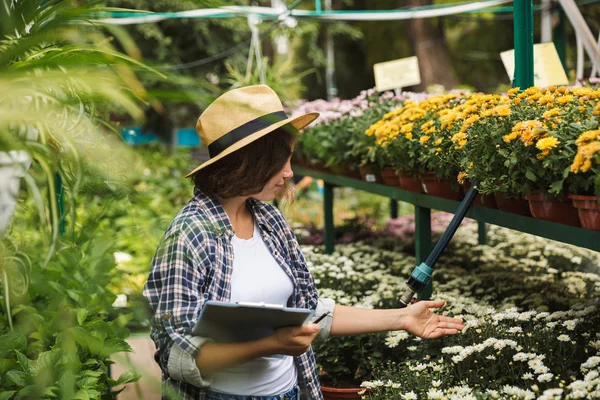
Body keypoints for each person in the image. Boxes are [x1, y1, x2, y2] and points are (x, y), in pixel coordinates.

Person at [143, 85, 464, 400]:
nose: (289, 173)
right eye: (280, 162)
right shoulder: (189, 235)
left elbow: (309, 311)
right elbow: (178, 356)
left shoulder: (269, 220)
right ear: (248, 162)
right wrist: (270, 345)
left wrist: (401, 318)